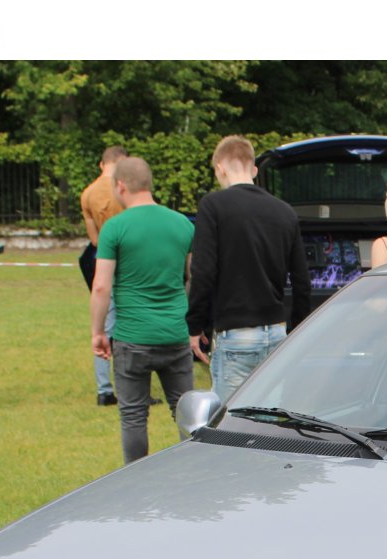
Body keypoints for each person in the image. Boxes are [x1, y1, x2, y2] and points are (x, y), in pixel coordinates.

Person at [186, 135, 311, 402]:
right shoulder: (284, 211)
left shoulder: (213, 206)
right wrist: (297, 331)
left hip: (236, 335)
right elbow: (302, 281)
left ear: (220, 167)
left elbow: (203, 271)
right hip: (277, 333)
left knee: (232, 429)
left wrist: (195, 326)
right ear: (254, 169)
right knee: (272, 426)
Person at [92, 156, 196, 464]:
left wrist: (98, 332)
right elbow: (192, 276)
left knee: (134, 416)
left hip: (132, 337)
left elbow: (101, 287)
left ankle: (134, 480)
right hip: (175, 334)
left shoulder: (115, 228)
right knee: (186, 413)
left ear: (121, 186)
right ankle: (197, 473)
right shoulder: (181, 223)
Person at [81, 145, 128, 406]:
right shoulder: (126, 189)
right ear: (123, 162)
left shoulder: (87, 194)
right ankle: (129, 384)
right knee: (129, 327)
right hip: (131, 266)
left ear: (101, 164)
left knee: (104, 327)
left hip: (105, 264)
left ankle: (104, 389)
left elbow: (94, 239)